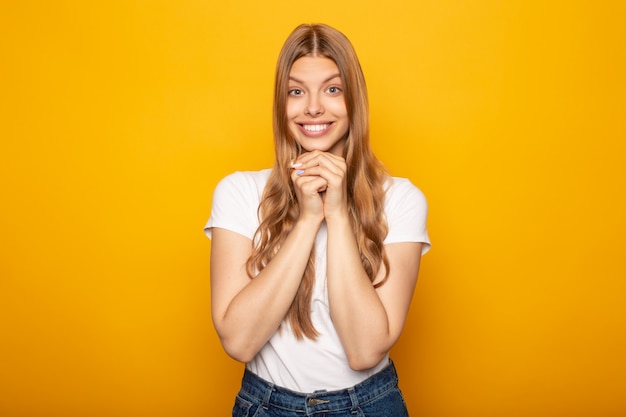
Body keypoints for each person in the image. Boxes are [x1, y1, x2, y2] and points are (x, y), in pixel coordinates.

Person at [205, 23, 430, 417]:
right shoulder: (238, 192)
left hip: (368, 405)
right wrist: (309, 219)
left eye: (332, 89)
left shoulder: (402, 200)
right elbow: (238, 342)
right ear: (281, 104)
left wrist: (338, 213)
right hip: (265, 405)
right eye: (296, 91)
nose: (312, 107)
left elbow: (364, 351)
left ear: (353, 100)